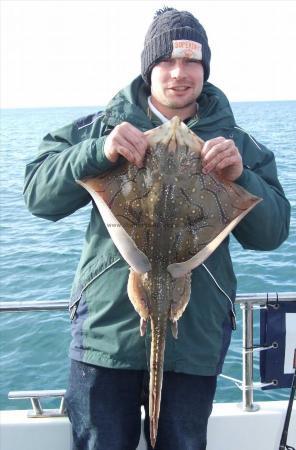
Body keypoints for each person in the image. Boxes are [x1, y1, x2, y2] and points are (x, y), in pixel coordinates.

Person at [23, 7, 290, 450]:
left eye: (192, 62)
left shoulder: (240, 145)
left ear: (206, 68)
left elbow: (272, 234)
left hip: (195, 341)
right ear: (149, 67)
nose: (179, 73)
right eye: (167, 61)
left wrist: (241, 177)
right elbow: (37, 196)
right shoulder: (97, 129)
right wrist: (97, 153)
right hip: (104, 338)